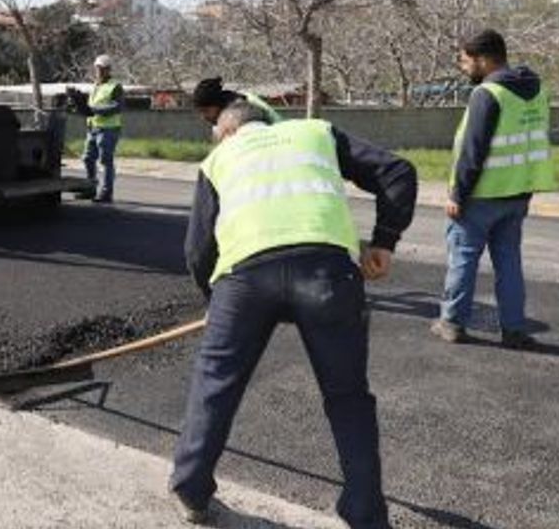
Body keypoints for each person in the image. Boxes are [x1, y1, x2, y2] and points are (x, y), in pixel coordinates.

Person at [171, 101, 417, 528]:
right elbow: (398, 171)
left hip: (244, 280)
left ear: (228, 132)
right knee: (347, 397)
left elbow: (197, 251)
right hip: (327, 273)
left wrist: (216, 304)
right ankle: (366, 514)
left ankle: (191, 489)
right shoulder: (316, 133)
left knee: (215, 384)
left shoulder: (217, 160)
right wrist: (384, 241)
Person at [431, 30, 552, 349]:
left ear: (483, 60)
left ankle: (453, 323)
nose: (463, 67)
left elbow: (474, 150)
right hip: (518, 194)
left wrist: (458, 194)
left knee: (463, 259)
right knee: (509, 263)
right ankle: (514, 329)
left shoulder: (488, 94)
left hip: (480, 197)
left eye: (465, 60)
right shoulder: (536, 91)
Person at [81, 54, 123, 203]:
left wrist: (95, 110)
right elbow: (91, 106)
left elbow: (117, 107)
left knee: (105, 160)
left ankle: (106, 193)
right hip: (93, 127)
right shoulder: (95, 85)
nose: (99, 71)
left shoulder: (115, 86)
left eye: (102, 68)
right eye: (98, 68)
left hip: (108, 129)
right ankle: (90, 188)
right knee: (87, 158)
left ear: (108, 69)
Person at [192, 76, 284, 126]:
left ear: (217, 104)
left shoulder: (243, 113)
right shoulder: (227, 111)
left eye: (206, 111)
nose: (203, 117)